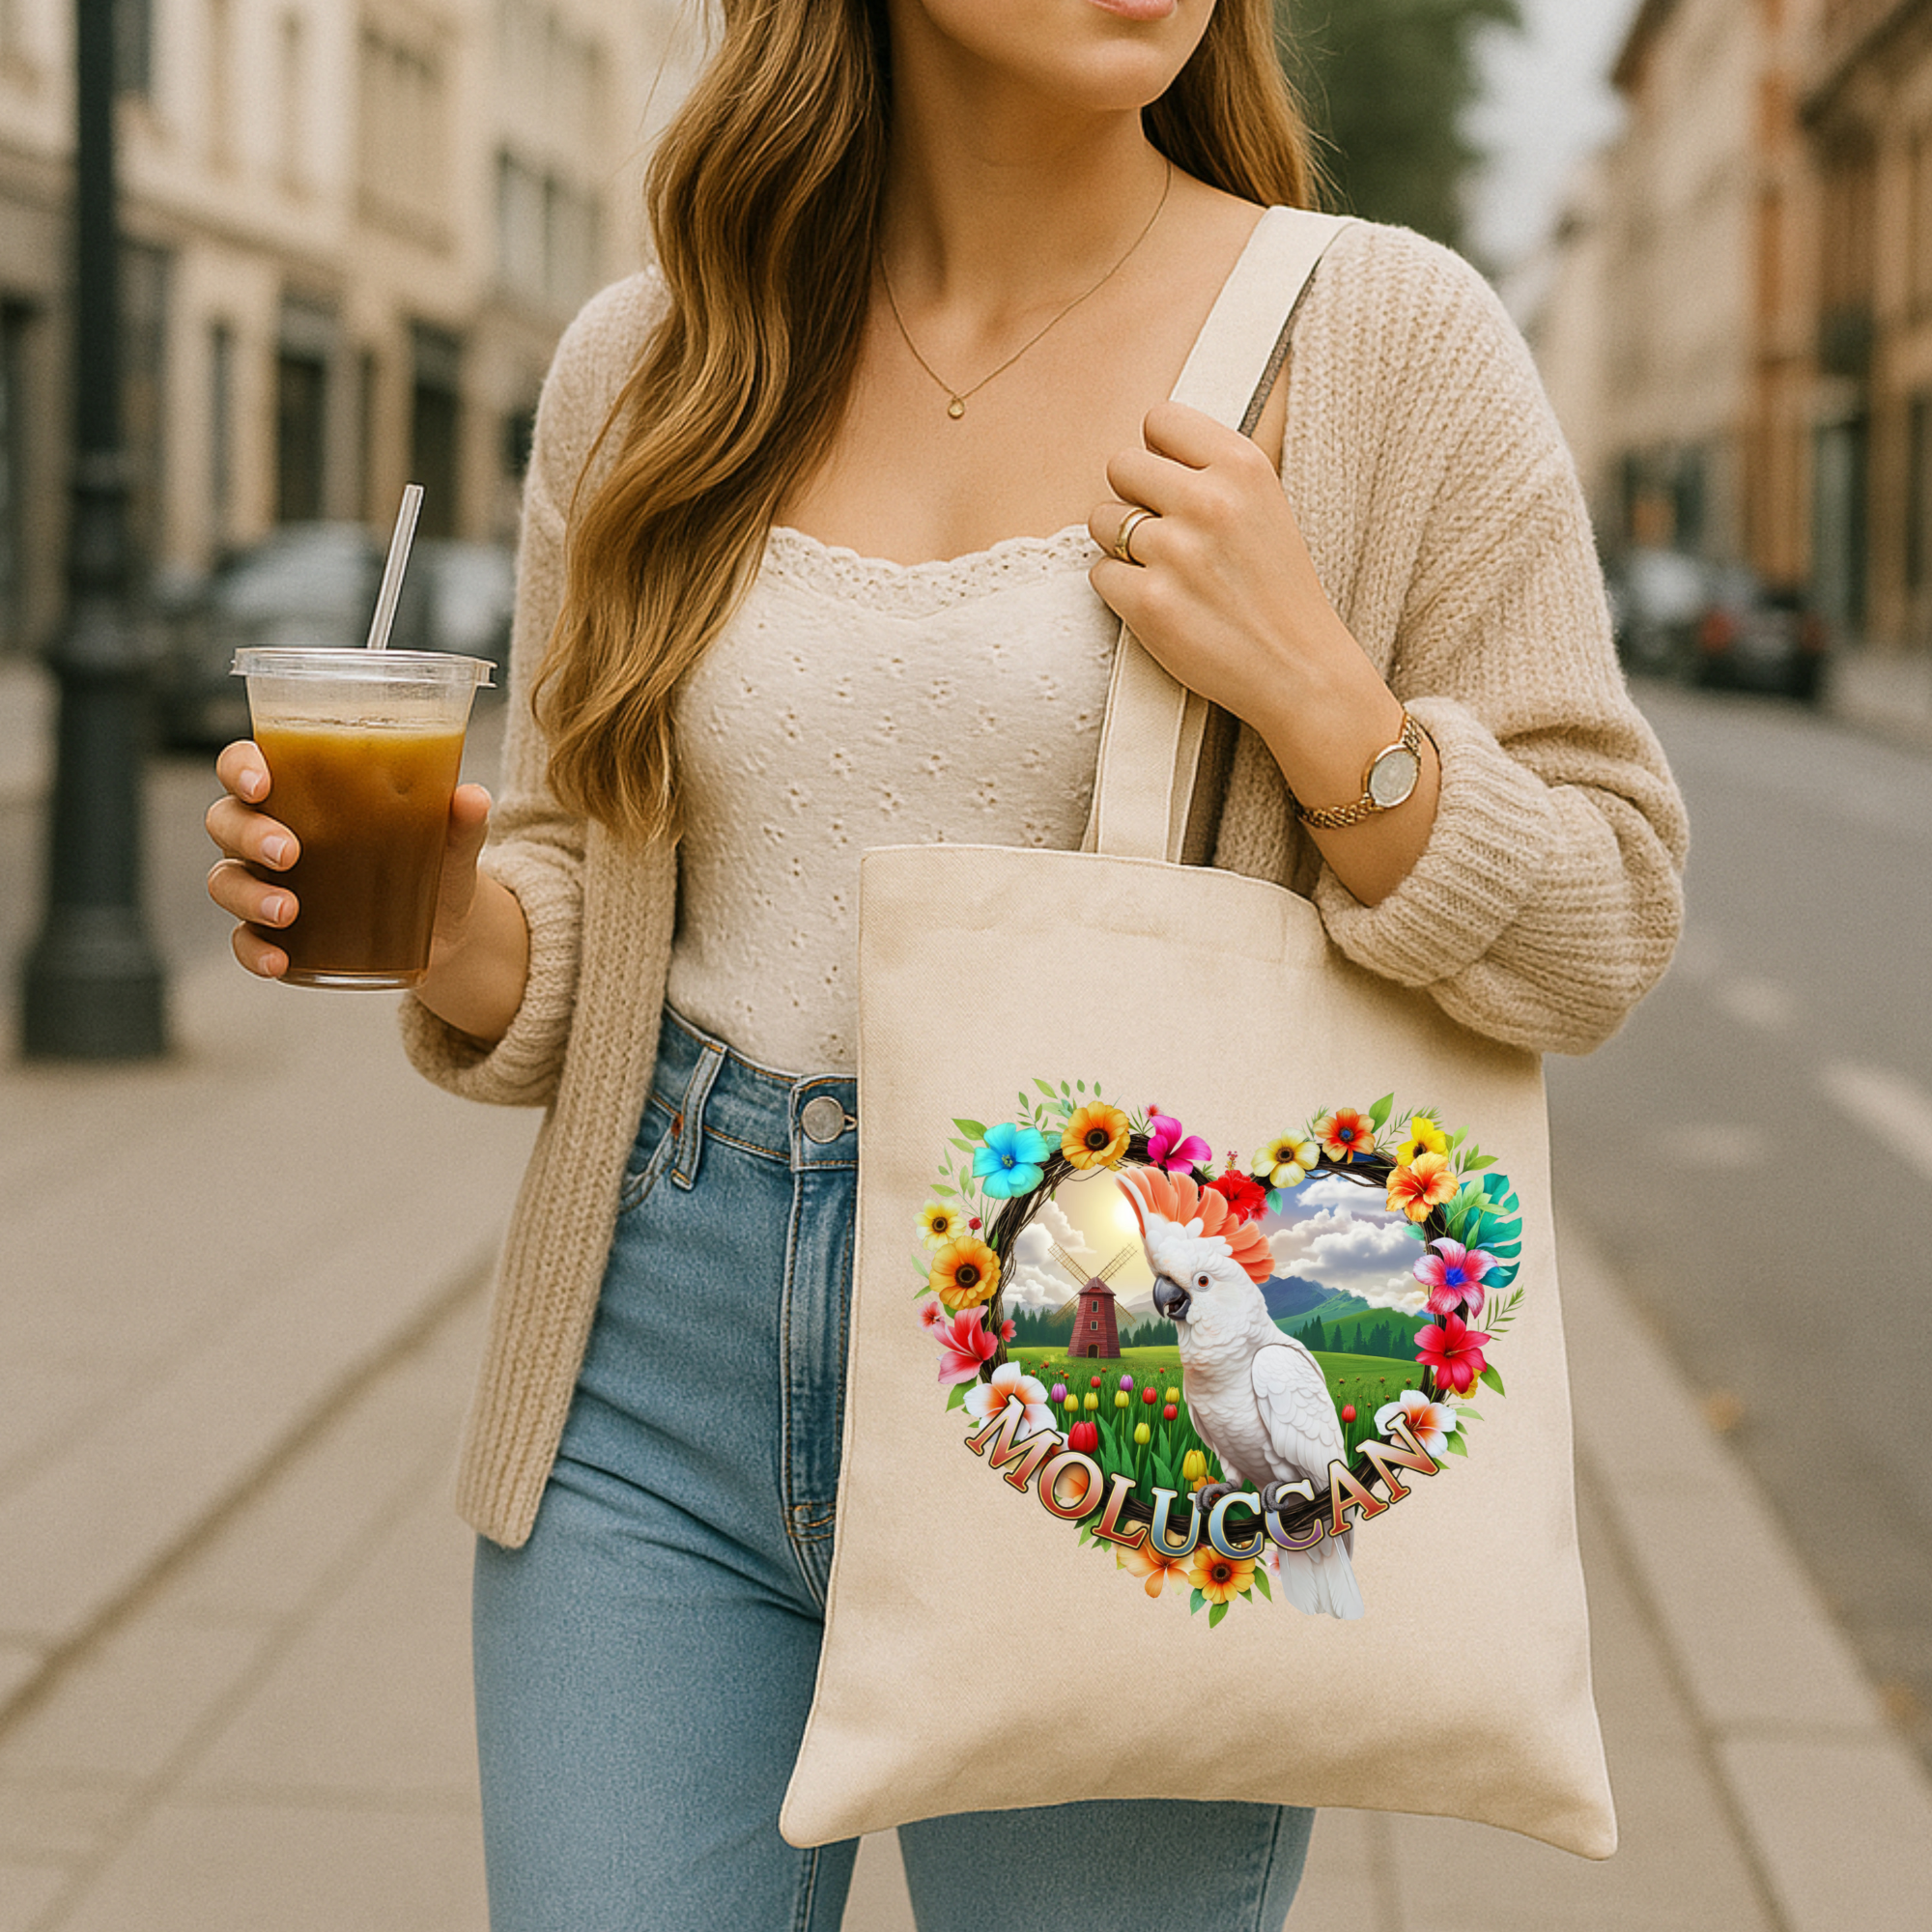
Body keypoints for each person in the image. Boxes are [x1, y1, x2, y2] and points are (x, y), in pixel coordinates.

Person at [205, 2, 1688, 1925]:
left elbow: (1608, 915)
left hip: (1127, 1357)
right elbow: (590, 890)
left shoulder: (1384, 341)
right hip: (651, 1355)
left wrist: (1333, 711)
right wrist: (454, 936)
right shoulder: (653, 361)